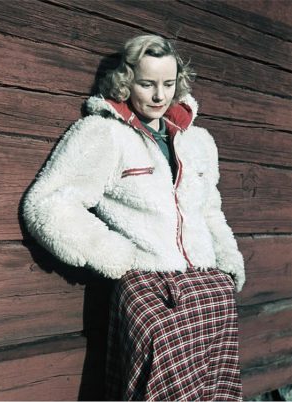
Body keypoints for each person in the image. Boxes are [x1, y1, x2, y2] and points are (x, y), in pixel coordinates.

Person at [23, 34, 245, 401]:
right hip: (150, 289)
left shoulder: (199, 141)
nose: (159, 95)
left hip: (209, 292)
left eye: (168, 84)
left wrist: (227, 265)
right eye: (147, 83)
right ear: (126, 81)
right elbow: (47, 204)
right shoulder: (103, 134)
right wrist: (118, 256)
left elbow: (210, 210)